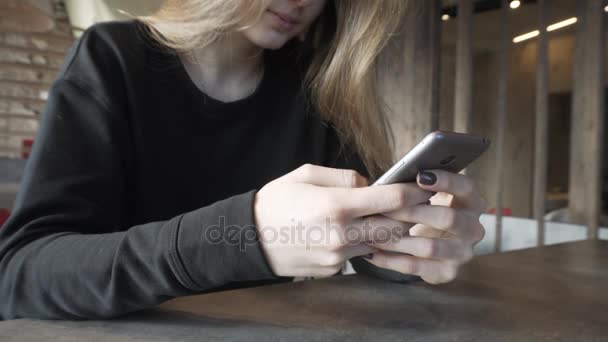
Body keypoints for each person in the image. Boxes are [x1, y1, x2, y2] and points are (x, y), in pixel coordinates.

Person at [0, 0, 486, 320]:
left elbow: (365, 240)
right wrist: (241, 235)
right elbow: (21, 273)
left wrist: (413, 245)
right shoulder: (113, 57)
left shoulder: (313, 90)